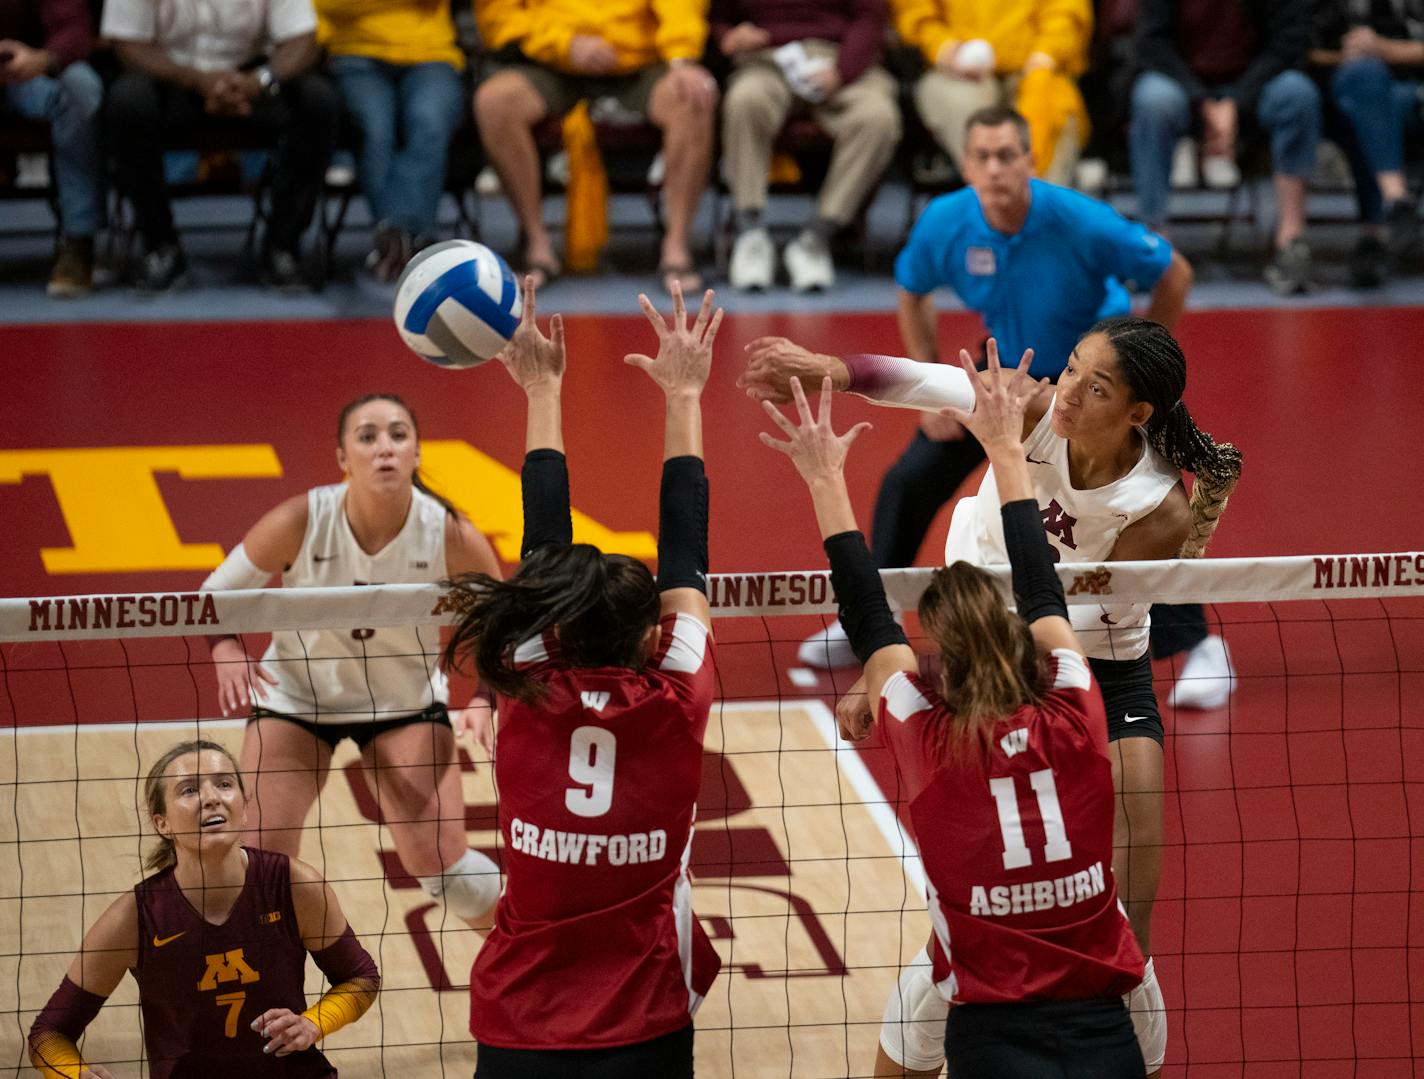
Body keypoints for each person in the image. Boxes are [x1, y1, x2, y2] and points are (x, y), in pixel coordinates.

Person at [740, 323, 1243, 1077]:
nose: (1068, 390)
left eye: (1095, 386)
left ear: (1138, 413)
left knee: (1128, 920)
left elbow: (1057, 629)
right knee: (987, 893)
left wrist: (906, 685)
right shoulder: (1035, 410)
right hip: (984, 635)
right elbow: (930, 382)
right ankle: (934, 1021)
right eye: (1071, 368)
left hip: (1092, 663)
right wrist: (828, 370)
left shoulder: (1157, 510)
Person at [443, 278, 723, 1075]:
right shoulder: (676, 691)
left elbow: (541, 550)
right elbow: (688, 558)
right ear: (649, 637)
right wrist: (685, 394)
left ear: (554, 627)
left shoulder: (528, 684)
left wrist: (541, 387)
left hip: (518, 1021)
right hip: (645, 1023)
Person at [200, 393, 504, 932]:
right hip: (296, 700)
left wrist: (484, 696)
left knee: (447, 871)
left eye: (397, 435)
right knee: (256, 870)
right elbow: (213, 596)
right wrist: (226, 648)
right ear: (343, 456)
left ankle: (526, 969)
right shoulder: (302, 519)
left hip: (402, 704)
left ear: (415, 452)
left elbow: (503, 618)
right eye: (367, 437)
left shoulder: (448, 532)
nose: (383, 448)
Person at [28, 740, 379, 1078]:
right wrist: (75, 1075)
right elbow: (49, 1033)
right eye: (189, 790)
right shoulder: (135, 917)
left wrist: (313, 1023)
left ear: (245, 806)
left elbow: (360, 978)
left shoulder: (293, 884)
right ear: (161, 823)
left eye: (224, 784)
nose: (211, 798)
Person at [472, 0, 717, 294]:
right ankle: (537, 244)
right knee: (494, 103)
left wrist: (681, 57)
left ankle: (677, 248)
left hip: (639, 61)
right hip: (549, 60)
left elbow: (682, 8)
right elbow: (499, 16)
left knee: (693, 99)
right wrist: (565, 44)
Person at [100, 0, 339, 293]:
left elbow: (303, 38)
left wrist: (259, 81)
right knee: (127, 101)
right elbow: (127, 44)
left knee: (317, 100)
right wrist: (193, 78)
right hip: (171, 74)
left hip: (251, 79)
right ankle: (160, 246)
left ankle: (282, 247)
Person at [1129, 0, 1321, 295]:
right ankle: (1153, 241)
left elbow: (1289, 43)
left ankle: (1291, 242)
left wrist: (1236, 101)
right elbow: (1151, 43)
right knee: (1153, 101)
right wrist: (1202, 101)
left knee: (1298, 94)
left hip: (1256, 85)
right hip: (1181, 82)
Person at [713, 0, 901, 292]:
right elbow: (718, 16)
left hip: (839, 56)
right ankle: (749, 233)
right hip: (766, 58)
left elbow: (871, 18)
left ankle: (816, 239)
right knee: (743, 101)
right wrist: (728, 36)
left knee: (878, 117)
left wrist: (843, 70)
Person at [315, 0, 467, 282]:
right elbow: (324, 6)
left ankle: (396, 237)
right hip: (354, 54)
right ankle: (413, 241)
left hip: (431, 54)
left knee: (429, 120)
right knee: (374, 129)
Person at [891, 0, 1093, 185]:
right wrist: (944, 48)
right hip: (955, 68)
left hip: (1034, 64)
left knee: (1055, 112)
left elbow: (1066, 11)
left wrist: (1047, 53)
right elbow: (915, 14)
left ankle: (1039, 211)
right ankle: (996, 204)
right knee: (966, 110)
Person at [1309, 0, 1423, 287]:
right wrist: (1351, 55)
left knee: (1382, 107)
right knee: (1366, 86)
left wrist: (1386, 50)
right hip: (1338, 91)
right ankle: (1394, 202)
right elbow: (1296, 48)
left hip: (1410, 87)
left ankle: (1375, 232)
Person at [1, 0, 104, 296]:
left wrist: (44, 59)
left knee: (80, 87)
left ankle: (78, 239)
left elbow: (73, 26)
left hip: (26, 74)